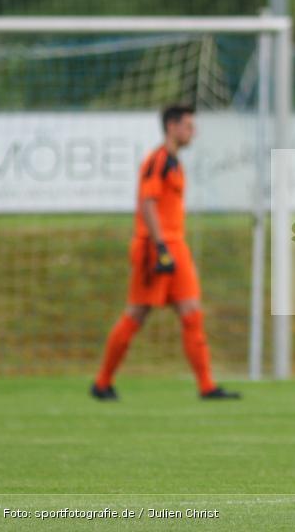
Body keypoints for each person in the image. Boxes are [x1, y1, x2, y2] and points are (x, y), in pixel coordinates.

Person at [91, 105, 240, 401]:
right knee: (136, 313)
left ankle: (207, 386)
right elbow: (147, 203)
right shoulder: (157, 160)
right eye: (188, 126)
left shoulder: (174, 162)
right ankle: (102, 382)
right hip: (155, 247)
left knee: (192, 313)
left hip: (175, 246)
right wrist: (160, 247)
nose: (193, 132)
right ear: (172, 126)